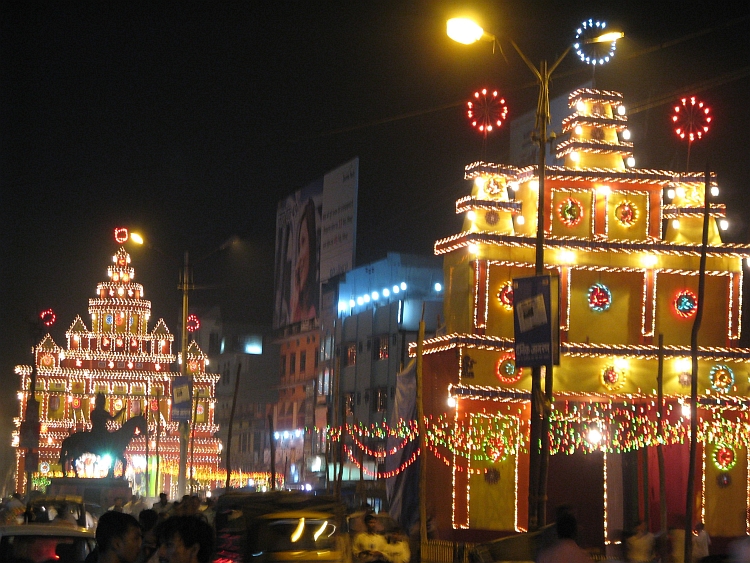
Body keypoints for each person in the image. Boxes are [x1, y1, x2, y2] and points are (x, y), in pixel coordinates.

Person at [289, 198, 318, 324]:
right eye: (299, 247)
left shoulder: (318, 304)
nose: (299, 258)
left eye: (304, 241)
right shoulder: (295, 302)